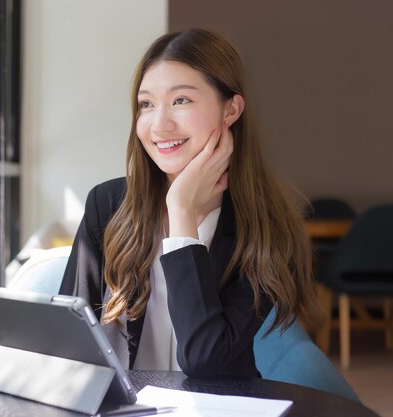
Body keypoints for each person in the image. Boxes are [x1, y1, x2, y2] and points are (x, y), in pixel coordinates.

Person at [59, 28, 320, 378]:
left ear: (231, 109)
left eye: (181, 100)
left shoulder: (265, 227)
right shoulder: (106, 205)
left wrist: (180, 210)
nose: (159, 124)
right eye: (146, 104)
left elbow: (207, 359)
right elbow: (64, 340)